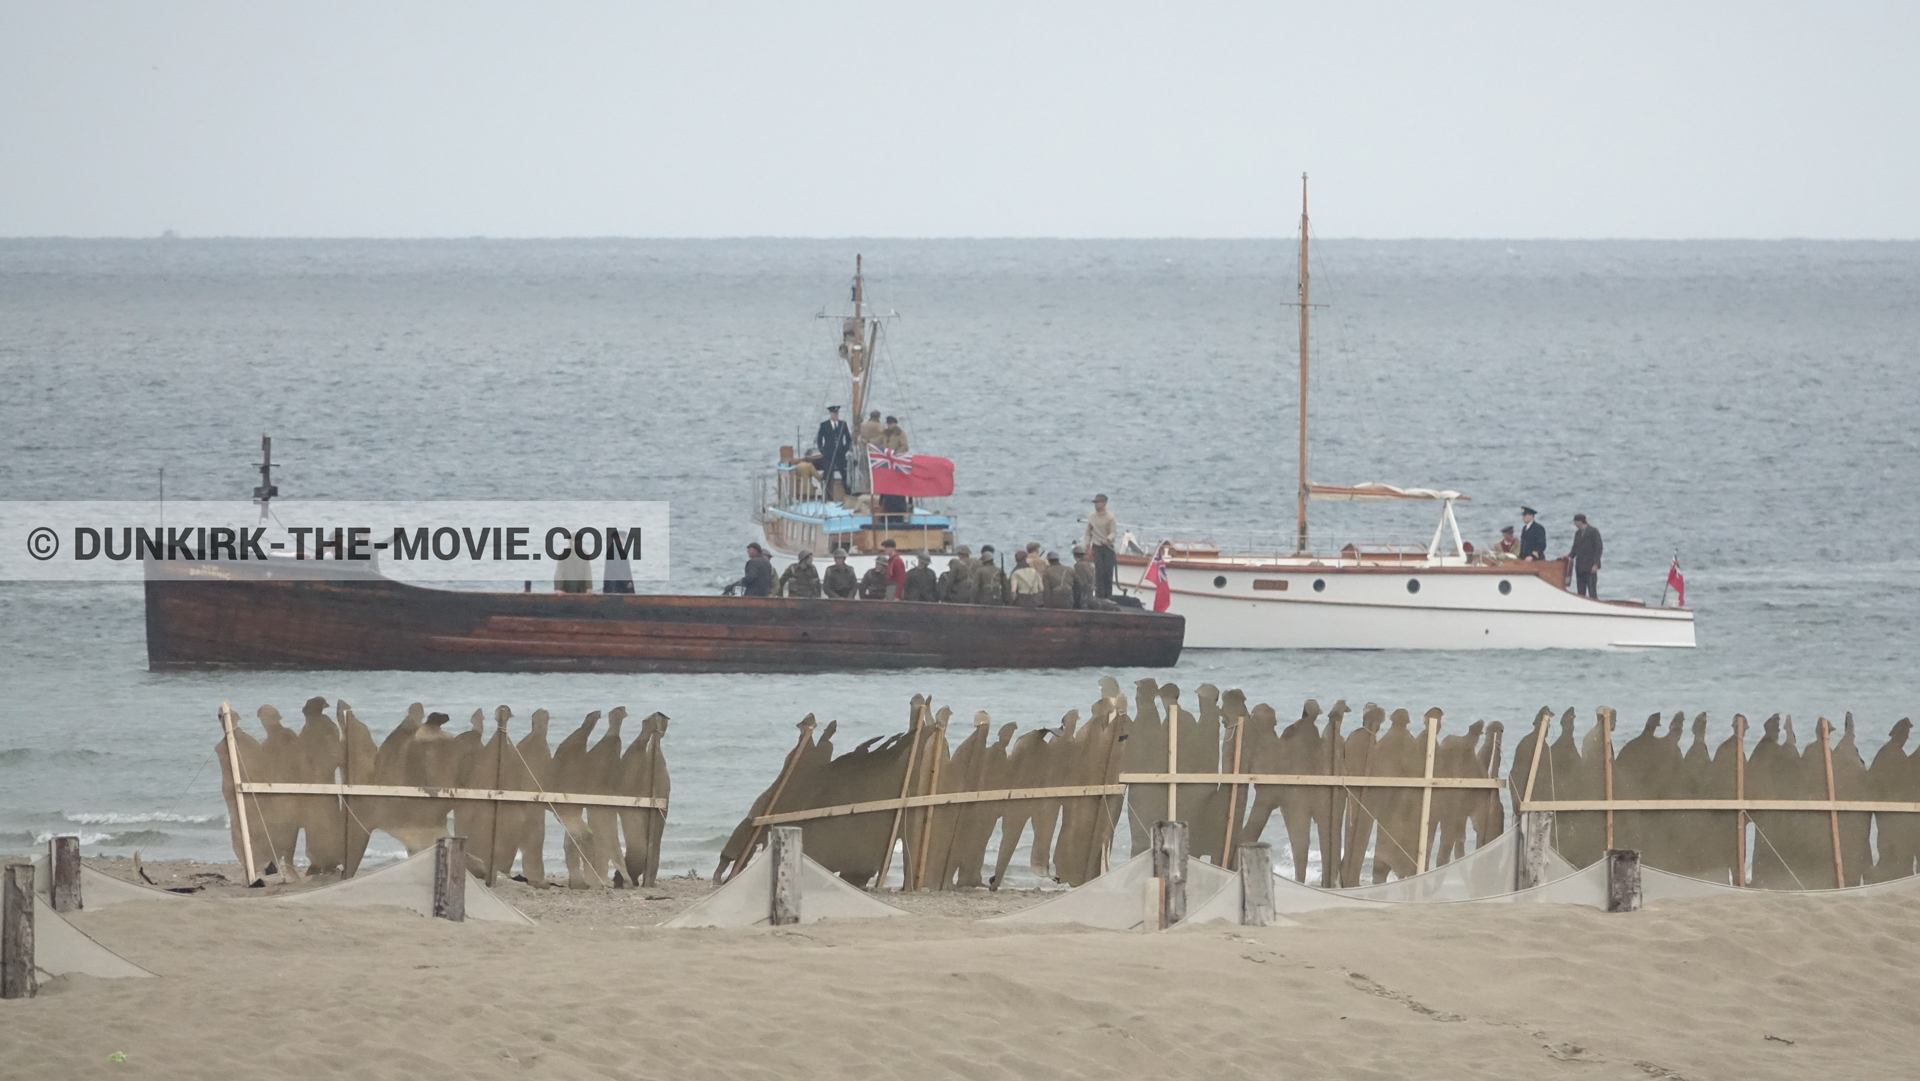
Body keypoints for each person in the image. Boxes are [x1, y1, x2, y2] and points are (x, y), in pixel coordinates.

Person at [1084, 493, 1118, 599]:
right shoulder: (1091, 516)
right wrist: (1087, 545)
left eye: (1098, 502)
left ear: (1104, 503)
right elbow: (1088, 531)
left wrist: (1107, 539)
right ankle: (1099, 597)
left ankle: (1108, 597)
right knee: (1098, 573)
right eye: (1095, 502)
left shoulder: (1110, 517)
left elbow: (1114, 532)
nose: (1096, 504)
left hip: (1108, 548)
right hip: (1097, 547)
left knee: (1107, 574)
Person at [815, 406, 852, 498]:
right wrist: (823, 451)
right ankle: (827, 495)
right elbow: (819, 440)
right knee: (827, 475)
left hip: (840, 454)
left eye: (837, 413)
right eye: (834, 413)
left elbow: (848, 438)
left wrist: (845, 449)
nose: (836, 415)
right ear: (830, 414)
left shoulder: (843, 424)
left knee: (844, 474)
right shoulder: (824, 425)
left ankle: (848, 494)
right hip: (828, 454)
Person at [1569, 513, 1604, 598]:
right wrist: (1569, 557)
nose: (1575, 524)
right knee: (1581, 591)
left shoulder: (1593, 531)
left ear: (1580, 522)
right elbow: (1574, 549)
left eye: (1576, 522)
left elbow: (1598, 549)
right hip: (1580, 567)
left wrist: (1595, 564)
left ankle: (1595, 607)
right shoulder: (1577, 533)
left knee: (1592, 590)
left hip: (1590, 566)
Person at [1070, 544, 1096, 608]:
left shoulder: (1078, 565)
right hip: (1090, 591)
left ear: (1074, 555)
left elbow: (1080, 583)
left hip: (1083, 593)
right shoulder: (1089, 564)